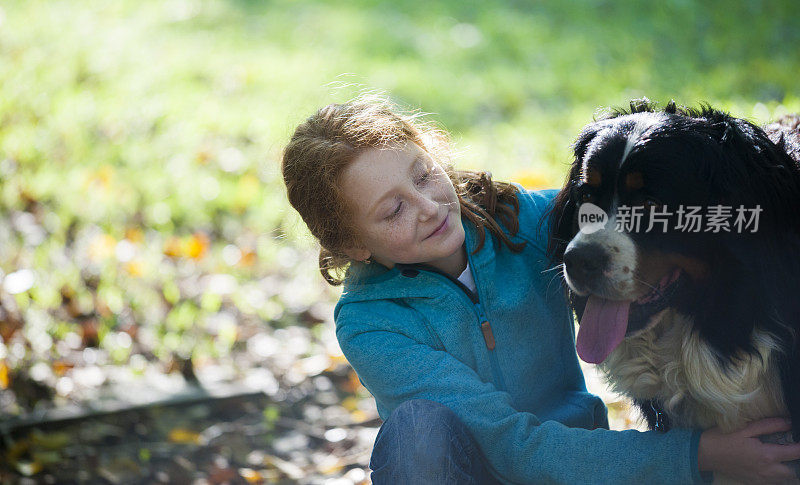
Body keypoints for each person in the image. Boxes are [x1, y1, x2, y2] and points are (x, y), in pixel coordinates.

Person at [281, 96, 800, 484]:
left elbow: (648, 203)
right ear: (352, 245)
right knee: (416, 433)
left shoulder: (530, 223)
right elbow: (509, 445)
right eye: (392, 210)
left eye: (423, 176)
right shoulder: (371, 323)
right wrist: (698, 455)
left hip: (586, 470)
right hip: (483, 470)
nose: (428, 207)